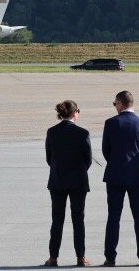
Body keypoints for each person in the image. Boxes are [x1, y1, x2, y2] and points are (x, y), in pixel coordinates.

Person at [102, 90, 139, 267]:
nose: (115, 107)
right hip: (136, 176)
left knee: (114, 216)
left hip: (115, 175)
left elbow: (106, 150)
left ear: (120, 103)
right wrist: (136, 164)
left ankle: (110, 257)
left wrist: (116, 163)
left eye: (115, 104)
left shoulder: (111, 123)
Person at [44, 100, 92, 267]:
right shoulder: (83, 133)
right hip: (78, 181)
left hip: (58, 180)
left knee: (57, 220)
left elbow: (49, 158)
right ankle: (80, 256)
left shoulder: (52, 132)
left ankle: (53, 257)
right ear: (74, 113)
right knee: (78, 220)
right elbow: (88, 159)